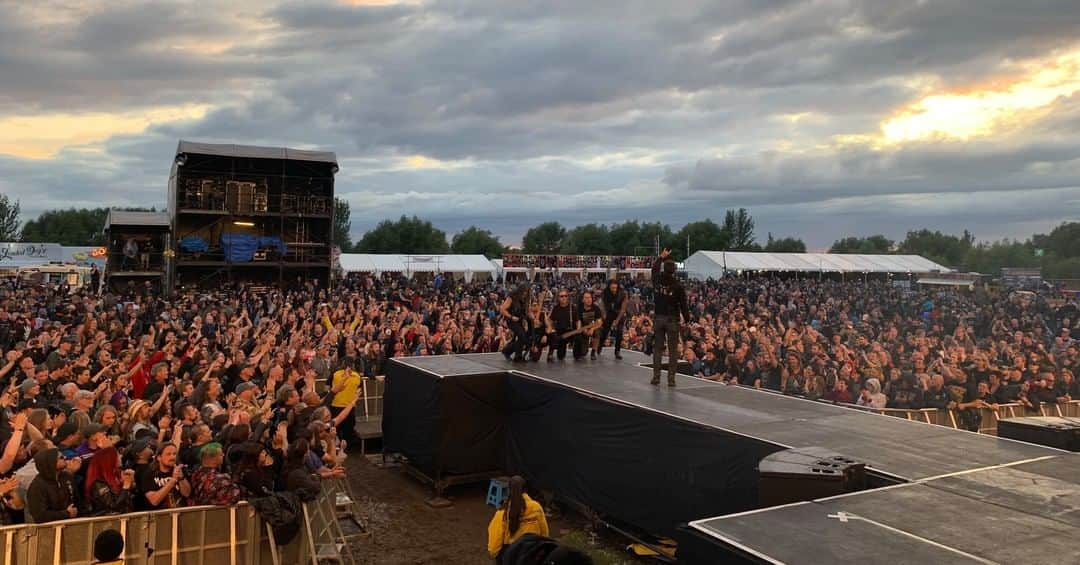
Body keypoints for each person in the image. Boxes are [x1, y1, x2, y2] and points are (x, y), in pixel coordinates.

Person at [650, 249, 689, 387]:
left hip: (659, 317)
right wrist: (687, 319)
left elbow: (653, 269)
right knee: (673, 350)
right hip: (672, 319)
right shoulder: (678, 285)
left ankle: (656, 377)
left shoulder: (657, 280)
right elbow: (684, 304)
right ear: (674, 271)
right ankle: (671, 379)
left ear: (664, 268)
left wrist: (661, 257)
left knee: (658, 349)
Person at [487, 476, 549, 559]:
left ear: (509, 490)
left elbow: (494, 544)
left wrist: (495, 555)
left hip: (511, 557)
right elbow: (544, 533)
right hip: (532, 554)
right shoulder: (536, 507)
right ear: (526, 489)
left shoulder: (502, 513)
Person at [26, 447, 78, 523]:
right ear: (51, 462)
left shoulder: (67, 477)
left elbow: (78, 501)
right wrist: (66, 514)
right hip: (49, 529)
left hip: (73, 523)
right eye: (61, 457)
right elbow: (39, 516)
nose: (65, 458)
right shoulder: (37, 486)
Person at [83, 447, 136, 515]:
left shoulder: (117, 477)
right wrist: (125, 487)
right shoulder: (98, 483)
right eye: (117, 455)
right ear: (109, 460)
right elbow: (112, 505)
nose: (121, 456)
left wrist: (132, 485)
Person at [500, 284, 532, 362]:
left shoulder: (527, 299)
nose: (525, 294)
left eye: (526, 292)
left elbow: (528, 310)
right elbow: (502, 309)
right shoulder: (512, 297)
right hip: (511, 320)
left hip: (521, 319)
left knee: (524, 337)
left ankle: (513, 353)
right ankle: (514, 353)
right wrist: (511, 316)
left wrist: (532, 318)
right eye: (524, 292)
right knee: (522, 336)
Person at [599, 279, 628, 359]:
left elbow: (623, 309)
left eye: (615, 287)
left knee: (619, 331)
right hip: (609, 312)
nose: (614, 290)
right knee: (605, 331)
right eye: (612, 288)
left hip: (619, 312)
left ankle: (617, 351)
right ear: (609, 287)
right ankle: (600, 346)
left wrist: (617, 321)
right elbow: (602, 305)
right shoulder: (605, 292)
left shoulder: (623, 293)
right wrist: (604, 315)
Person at [545, 290, 576, 362]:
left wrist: (577, 330)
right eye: (562, 296)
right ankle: (551, 353)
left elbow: (578, 321)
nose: (564, 298)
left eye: (565, 296)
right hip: (559, 332)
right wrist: (550, 328)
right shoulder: (555, 308)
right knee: (561, 356)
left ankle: (578, 352)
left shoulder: (573, 308)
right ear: (558, 298)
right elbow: (550, 321)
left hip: (570, 331)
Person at [576, 291, 604, 361]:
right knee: (583, 353)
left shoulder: (596, 308)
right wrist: (583, 329)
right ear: (583, 300)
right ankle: (581, 349)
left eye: (590, 298)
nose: (589, 299)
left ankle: (593, 352)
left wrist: (592, 329)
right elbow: (578, 322)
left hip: (593, 327)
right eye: (587, 298)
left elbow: (599, 322)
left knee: (598, 332)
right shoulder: (579, 308)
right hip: (583, 328)